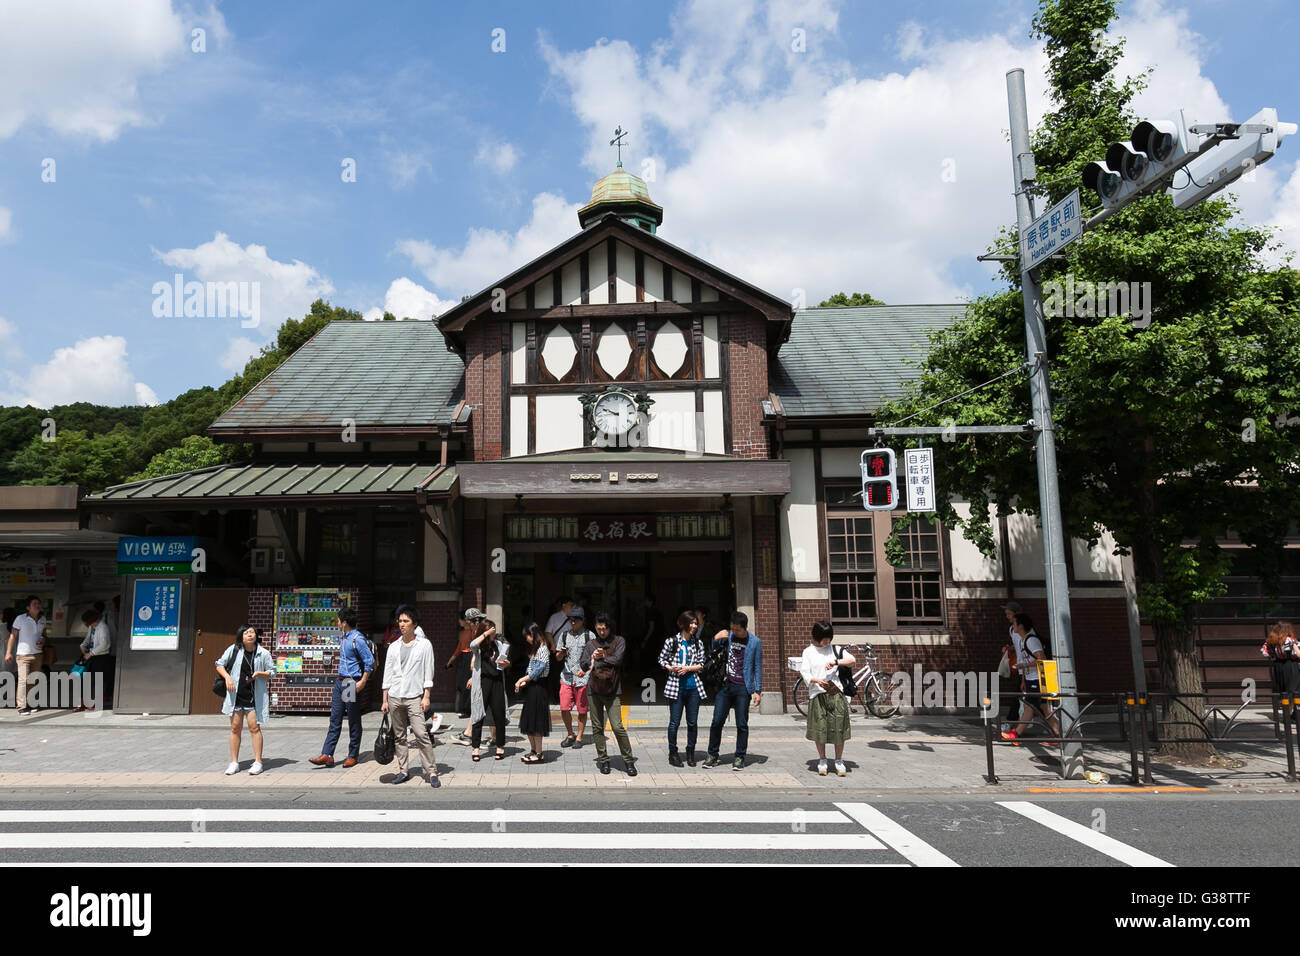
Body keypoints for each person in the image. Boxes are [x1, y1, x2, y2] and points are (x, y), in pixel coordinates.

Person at [382, 606, 440, 787]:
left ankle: (431, 771)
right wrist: (384, 699)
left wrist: (427, 696)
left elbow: (428, 672)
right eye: (400, 621)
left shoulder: (424, 645)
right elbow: (388, 673)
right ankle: (403, 770)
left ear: (415, 624)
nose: (402, 624)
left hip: (414, 696)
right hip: (394, 696)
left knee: (421, 734)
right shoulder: (393, 646)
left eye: (406, 621)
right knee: (399, 736)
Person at [309, 607, 374, 768]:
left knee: (352, 719)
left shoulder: (357, 639)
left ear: (344, 622)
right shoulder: (344, 637)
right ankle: (327, 754)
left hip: (351, 682)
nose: (337, 623)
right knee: (335, 719)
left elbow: (369, 661)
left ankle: (353, 755)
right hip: (340, 682)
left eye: (338, 620)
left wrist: (363, 681)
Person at [579, 612, 637, 776]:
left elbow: (618, 660)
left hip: (613, 689)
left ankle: (628, 761)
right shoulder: (591, 644)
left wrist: (602, 657)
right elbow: (583, 664)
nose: (602, 632)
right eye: (599, 629)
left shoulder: (619, 641)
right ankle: (603, 760)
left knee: (618, 727)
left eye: (604, 629)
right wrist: (592, 657)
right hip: (593, 689)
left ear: (610, 627)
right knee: (597, 728)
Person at [704, 611, 762, 770]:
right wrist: (716, 638)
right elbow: (713, 650)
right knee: (717, 721)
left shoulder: (755, 642)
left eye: (737, 630)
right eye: (732, 629)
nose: (734, 632)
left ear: (744, 628)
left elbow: (757, 667)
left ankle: (740, 757)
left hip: (743, 688)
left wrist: (758, 690)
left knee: (742, 724)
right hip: (725, 685)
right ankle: (712, 754)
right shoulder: (728, 637)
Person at [216, 625, 275, 775]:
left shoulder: (263, 653)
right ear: (241, 636)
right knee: (235, 728)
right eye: (246, 632)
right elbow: (219, 664)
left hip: (254, 696)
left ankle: (258, 762)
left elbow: (273, 672)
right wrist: (227, 677)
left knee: (254, 728)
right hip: (235, 695)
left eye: (252, 632)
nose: (250, 634)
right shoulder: (234, 649)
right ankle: (234, 762)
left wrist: (261, 673)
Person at [800, 620, 854, 776]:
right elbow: (805, 672)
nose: (827, 641)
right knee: (820, 728)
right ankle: (822, 759)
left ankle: (838, 760)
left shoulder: (835, 649)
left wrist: (836, 661)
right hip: (818, 694)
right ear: (816, 636)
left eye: (829, 638)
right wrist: (816, 680)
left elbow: (852, 660)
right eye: (824, 638)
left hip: (836, 693)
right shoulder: (808, 652)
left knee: (839, 728)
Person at [1001, 612, 1060, 744]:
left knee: (1030, 707)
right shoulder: (1023, 641)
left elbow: (1041, 659)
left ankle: (1016, 734)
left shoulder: (1031, 641)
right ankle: (1057, 734)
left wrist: (1024, 665)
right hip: (1031, 678)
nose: (1013, 625)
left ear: (1021, 626)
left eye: (1015, 623)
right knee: (1044, 706)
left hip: (1037, 678)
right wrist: (1023, 680)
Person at [659, 610, 707, 767]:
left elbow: (702, 664)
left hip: (693, 688)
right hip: (676, 687)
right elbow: (661, 658)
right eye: (691, 623)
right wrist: (670, 668)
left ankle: (690, 752)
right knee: (674, 722)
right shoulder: (672, 641)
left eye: (695, 623)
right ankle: (673, 753)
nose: (694, 626)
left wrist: (687, 668)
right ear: (683, 623)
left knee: (692, 723)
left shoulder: (698, 643)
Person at [468, 609, 510, 762]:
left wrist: (506, 664)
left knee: (499, 715)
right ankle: (476, 748)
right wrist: (485, 634)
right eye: (491, 631)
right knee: (478, 715)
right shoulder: (479, 647)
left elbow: (505, 661)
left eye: (494, 631)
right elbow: (472, 644)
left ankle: (500, 747)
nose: (494, 634)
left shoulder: (498, 644)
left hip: (497, 682)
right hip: (483, 683)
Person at [514, 623, 553, 763]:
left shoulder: (543, 649)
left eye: (528, 636)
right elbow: (532, 671)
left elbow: (537, 671)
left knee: (536, 722)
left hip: (539, 689)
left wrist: (521, 680)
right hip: (533, 688)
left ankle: (539, 753)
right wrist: (525, 681)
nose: (527, 639)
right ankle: (533, 750)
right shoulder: (536, 649)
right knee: (529, 721)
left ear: (534, 634)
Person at [555, 605, 592, 748]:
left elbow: (594, 658)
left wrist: (586, 670)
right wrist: (561, 653)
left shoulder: (590, 636)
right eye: (571, 620)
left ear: (582, 620)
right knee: (564, 708)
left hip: (583, 678)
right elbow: (557, 657)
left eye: (576, 620)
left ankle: (580, 737)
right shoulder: (564, 635)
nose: (572, 622)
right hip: (566, 676)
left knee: (582, 710)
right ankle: (570, 734)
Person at [5, 596, 47, 714]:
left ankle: (29, 702)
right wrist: (8, 652)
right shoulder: (20, 619)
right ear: (28, 607)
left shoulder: (42, 619)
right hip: (23, 655)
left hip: (37, 655)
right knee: (23, 680)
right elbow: (13, 636)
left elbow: (44, 635)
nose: (37, 605)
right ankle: (21, 706)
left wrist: (42, 642)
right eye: (34, 603)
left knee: (32, 680)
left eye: (38, 603)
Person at [75, 608, 112, 712]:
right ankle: (82, 702)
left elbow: (104, 645)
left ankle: (95, 703)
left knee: (96, 681)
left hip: (101, 657)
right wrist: (82, 645)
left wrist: (91, 653)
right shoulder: (92, 627)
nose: (87, 624)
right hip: (91, 656)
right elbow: (87, 639)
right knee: (85, 679)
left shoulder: (103, 628)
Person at [1262, 621, 1300, 721]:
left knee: (1284, 690)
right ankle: (1290, 716)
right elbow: (1298, 654)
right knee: (1292, 690)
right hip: (1290, 665)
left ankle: (1287, 715)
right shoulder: (1289, 640)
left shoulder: (1271, 641)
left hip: (1278, 666)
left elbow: (1266, 653)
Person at [446, 612, 476, 721]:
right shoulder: (462, 633)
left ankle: (468, 710)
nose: (459, 622)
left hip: (470, 656)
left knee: (468, 684)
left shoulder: (473, 632)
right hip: (463, 657)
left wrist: (473, 658)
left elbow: (475, 647)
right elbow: (459, 648)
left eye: (460, 619)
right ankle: (464, 709)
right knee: (461, 683)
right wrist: (450, 661)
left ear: (465, 620)